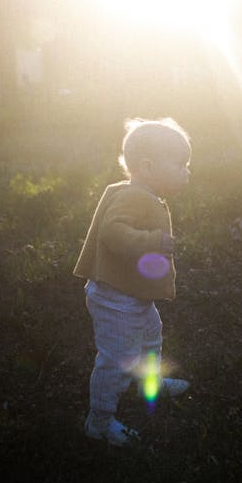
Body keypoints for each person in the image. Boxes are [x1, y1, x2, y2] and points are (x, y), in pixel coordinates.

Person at [73, 117, 192, 446]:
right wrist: (152, 240)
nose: (187, 172)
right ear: (148, 166)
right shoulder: (133, 197)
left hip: (132, 295)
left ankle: (148, 384)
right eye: (180, 164)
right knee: (117, 357)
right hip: (115, 299)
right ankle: (99, 420)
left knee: (151, 339)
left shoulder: (139, 192)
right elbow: (113, 233)